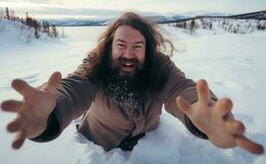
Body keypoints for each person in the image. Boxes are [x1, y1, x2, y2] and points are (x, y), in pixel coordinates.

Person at [1, 12, 264, 154]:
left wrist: (204, 114)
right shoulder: (96, 65)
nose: (128, 54)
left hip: (147, 143)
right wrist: (50, 114)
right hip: (97, 146)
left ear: (148, 49)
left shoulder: (159, 66)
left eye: (137, 46)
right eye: (121, 45)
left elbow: (180, 89)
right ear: (109, 46)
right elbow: (75, 87)